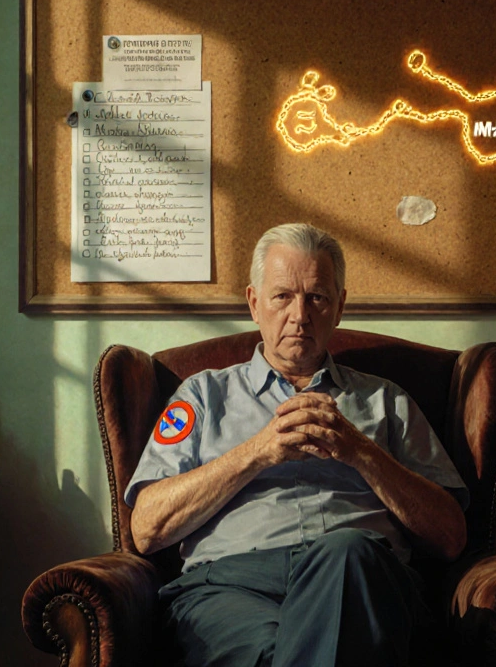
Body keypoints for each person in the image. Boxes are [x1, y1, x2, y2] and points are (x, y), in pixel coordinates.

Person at [125, 223, 469, 667]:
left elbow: (451, 538)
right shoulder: (201, 396)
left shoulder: (386, 401)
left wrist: (361, 452)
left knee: (348, 552)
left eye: (317, 297)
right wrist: (257, 453)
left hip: (358, 579)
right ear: (254, 303)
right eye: (283, 296)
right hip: (231, 587)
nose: (300, 315)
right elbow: (146, 530)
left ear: (339, 307)